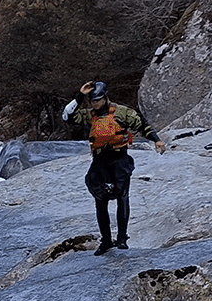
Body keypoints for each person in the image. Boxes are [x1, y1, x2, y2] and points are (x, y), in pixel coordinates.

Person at [62, 80, 165, 255]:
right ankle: (106, 241)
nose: (95, 103)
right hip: (100, 160)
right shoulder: (90, 114)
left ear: (105, 97)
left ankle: (122, 238)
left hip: (119, 158)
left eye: (98, 100)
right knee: (100, 200)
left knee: (122, 196)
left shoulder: (123, 112)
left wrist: (156, 139)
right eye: (92, 101)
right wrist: (80, 95)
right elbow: (67, 116)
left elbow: (142, 124)